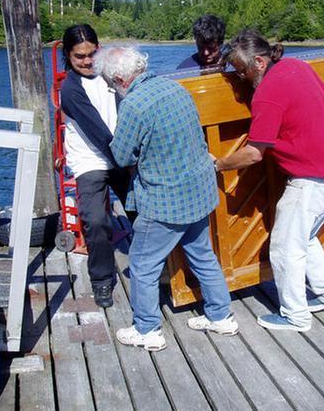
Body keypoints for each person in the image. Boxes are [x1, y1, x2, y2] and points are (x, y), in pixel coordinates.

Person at [215, 30, 324, 332]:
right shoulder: (298, 67)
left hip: (314, 178)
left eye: (241, 70)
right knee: (303, 238)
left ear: (258, 61)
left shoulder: (267, 92)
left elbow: (255, 153)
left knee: (283, 247)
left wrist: (220, 164)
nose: (240, 77)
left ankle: (295, 316)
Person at [94, 46, 238, 352]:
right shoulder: (176, 88)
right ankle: (220, 315)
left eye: (109, 84)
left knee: (143, 264)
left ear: (120, 79)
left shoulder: (134, 105)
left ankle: (147, 329)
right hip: (198, 191)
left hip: (165, 201)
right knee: (202, 255)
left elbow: (120, 155)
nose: (111, 90)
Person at [59, 24, 132, 308]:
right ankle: (102, 280)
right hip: (92, 159)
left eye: (92, 53)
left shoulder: (110, 76)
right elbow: (98, 133)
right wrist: (128, 162)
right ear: (69, 55)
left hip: (120, 152)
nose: (88, 61)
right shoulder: (70, 89)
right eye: (80, 56)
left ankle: (157, 267)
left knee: (143, 210)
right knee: (96, 221)